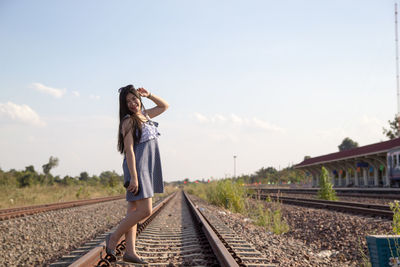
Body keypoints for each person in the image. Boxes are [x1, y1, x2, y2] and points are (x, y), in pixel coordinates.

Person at [105, 84, 169, 264]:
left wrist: (149, 95)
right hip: (138, 169)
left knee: (133, 210)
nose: (133, 103)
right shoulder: (128, 121)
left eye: (134, 99)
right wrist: (134, 177)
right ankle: (114, 237)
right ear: (124, 105)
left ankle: (130, 252)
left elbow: (165, 106)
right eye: (128, 102)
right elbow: (129, 150)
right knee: (145, 210)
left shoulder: (145, 115)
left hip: (147, 167)